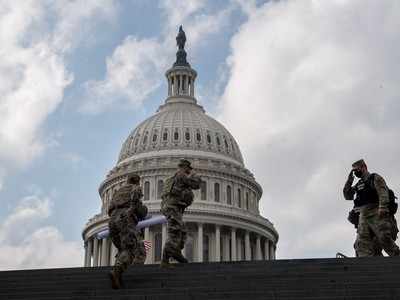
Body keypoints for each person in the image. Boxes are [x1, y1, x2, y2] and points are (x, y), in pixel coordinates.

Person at [343, 159, 399, 257]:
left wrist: (383, 208)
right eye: (354, 171)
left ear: (364, 167)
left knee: (384, 239)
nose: (356, 172)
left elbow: (383, 193)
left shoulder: (374, 178)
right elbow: (347, 196)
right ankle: (365, 266)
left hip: (377, 213)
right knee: (361, 243)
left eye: (357, 170)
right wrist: (349, 180)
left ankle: (397, 257)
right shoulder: (359, 184)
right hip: (363, 216)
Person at [108, 174, 148, 289]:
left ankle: (118, 277)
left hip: (112, 221)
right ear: (137, 181)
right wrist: (140, 211)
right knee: (132, 248)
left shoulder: (118, 191)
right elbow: (136, 203)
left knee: (122, 248)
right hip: (125, 218)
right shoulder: (135, 188)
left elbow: (109, 209)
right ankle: (117, 271)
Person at [160, 159, 201, 267]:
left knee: (182, 232)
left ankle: (176, 253)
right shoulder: (181, 175)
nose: (189, 170)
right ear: (185, 167)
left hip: (172, 208)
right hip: (173, 208)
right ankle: (165, 260)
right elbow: (196, 184)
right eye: (189, 168)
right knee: (174, 234)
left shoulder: (173, 178)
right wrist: (194, 174)